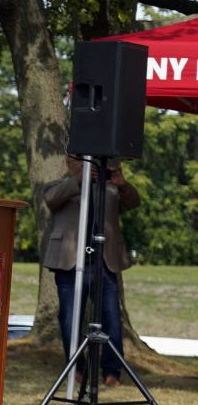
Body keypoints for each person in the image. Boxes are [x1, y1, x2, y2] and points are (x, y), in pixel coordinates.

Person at [42, 156, 140, 388]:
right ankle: (76, 368)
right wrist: (80, 179)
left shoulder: (110, 189)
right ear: (69, 163)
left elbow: (133, 203)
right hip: (69, 263)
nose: (86, 164)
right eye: (78, 160)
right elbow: (51, 200)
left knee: (111, 317)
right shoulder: (59, 186)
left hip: (103, 263)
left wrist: (122, 184)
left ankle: (112, 371)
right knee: (69, 318)